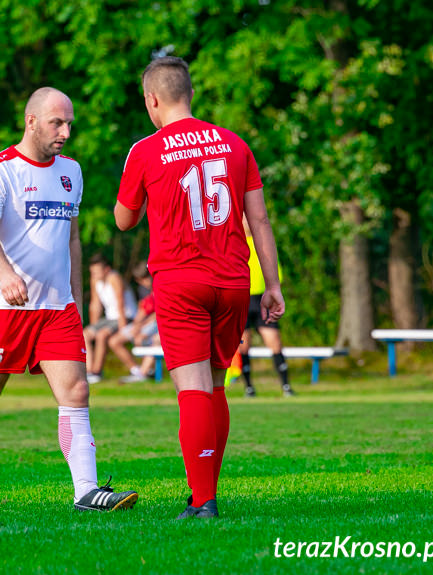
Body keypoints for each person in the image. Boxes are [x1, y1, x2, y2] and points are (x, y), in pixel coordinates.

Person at [0, 87, 138, 512]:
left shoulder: (72, 171)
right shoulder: (0, 169)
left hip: (57, 309)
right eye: (56, 123)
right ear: (30, 121)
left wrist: (77, 302)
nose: (65, 132)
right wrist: (7, 275)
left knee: (77, 391)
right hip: (2, 308)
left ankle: (86, 490)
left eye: (69, 124)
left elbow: (72, 239)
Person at [114, 56, 284, 519]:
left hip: (180, 282)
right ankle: (202, 492)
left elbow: (124, 220)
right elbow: (260, 220)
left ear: (152, 100)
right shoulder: (235, 144)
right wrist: (270, 285)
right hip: (233, 281)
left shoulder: (146, 150)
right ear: (191, 93)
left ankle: (204, 500)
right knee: (214, 385)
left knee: (191, 389)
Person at [238, 216, 295, 397]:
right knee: (243, 346)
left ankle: (286, 386)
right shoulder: (234, 243)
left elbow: (275, 272)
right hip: (241, 300)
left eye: (248, 219)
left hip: (262, 300)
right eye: (243, 219)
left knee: (274, 342)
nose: (247, 222)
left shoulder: (262, 242)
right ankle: (249, 387)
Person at [83, 254, 137, 383]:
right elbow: (95, 305)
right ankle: (88, 370)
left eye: (97, 272)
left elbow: (120, 302)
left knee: (102, 335)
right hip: (109, 318)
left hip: (126, 316)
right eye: (92, 272)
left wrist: (123, 327)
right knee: (85, 334)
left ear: (106, 269)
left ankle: (97, 371)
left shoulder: (114, 277)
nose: (94, 274)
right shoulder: (95, 280)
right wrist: (93, 326)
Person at [108, 262, 159, 383]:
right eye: (142, 279)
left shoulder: (159, 285)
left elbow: (160, 312)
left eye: (147, 277)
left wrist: (140, 326)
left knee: (140, 338)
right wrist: (136, 324)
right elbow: (143, 309)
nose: (146, 282)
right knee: (114, 341)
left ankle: (145, 372)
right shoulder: (143, 289)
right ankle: (136, 370)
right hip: (145, 322)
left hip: (157, 321)